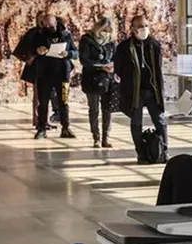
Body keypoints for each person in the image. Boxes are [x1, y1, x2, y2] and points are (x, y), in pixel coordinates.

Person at [115, 15, 167, 164]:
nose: (143, 29)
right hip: (134, 92)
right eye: (139, 26)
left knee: (160, 121)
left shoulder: (155, 45)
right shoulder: (124, 47)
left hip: (153, 91)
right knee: (136, 123)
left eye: (145, 25)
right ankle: (141, 153)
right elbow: (118, 68)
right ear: (133, 29)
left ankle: (163, 151)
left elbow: (158, 67)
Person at [31, 14, 77, 139]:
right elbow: (30, 50)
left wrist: (68, 53)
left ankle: (66, 128)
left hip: (62, 73)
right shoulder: (38, 35)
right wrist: (37, 51)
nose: (48, 27)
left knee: (64, 101)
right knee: (43, 102)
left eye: (50, 25)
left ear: (56, 22)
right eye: (45, 25)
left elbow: (75, 52)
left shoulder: (66, 35)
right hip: (44, 74)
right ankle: (41, 128)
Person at [80, 17, 117, 148]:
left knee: (107, 109)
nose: (106, 33)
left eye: (108, 31)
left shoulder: (111, 43)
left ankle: (106, 137)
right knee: (94, 109)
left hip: (108, 79)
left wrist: (114, 67)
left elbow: (116, 58)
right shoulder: (86, 40)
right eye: (104, 30)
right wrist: (100, 66)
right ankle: (96, 137)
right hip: (91, 79)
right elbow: (84, 60)